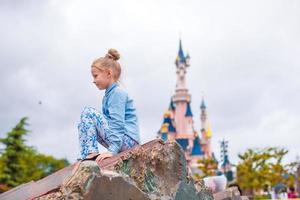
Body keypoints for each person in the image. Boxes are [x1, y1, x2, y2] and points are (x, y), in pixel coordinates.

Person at [77, 49, 140, 164]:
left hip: (128, 141)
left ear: (108, 74)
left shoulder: (117, 93)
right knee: (84, 123)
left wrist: (112, 150)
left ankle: (90, 153)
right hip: (121, 140)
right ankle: (87, 154)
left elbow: (117, 123)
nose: (94, 81)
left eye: (95, 76)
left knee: (88, 112)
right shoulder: (108, 95)